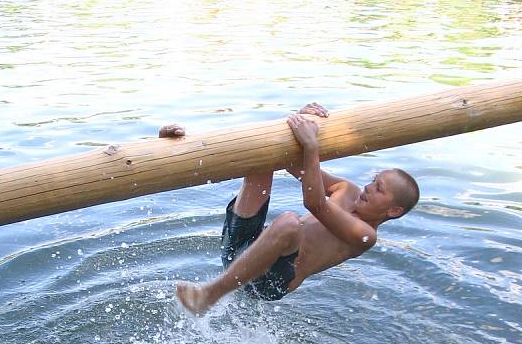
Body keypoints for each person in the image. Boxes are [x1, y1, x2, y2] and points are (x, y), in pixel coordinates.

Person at [159, 103, 419, 315]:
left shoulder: (365, 235)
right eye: (373, 180)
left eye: (379, 189)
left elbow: (315, 203)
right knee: (263, 159)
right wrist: (300, 121)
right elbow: (294, 164)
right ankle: (175, 147)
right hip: (244, 251)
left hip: (270, 282)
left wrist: (312, 146)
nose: (368, 187)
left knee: (289, 222)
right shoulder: (346, 189)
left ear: (393, 211)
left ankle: (209, 295)